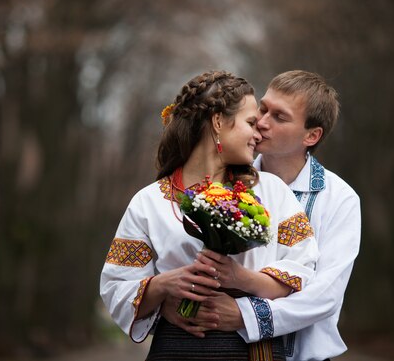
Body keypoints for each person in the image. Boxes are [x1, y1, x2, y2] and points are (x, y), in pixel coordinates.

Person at [100, 71, 320, 361]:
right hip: (178, 349)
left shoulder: (273, 192)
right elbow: (117, 287)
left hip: (252, 351)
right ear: (218, 121)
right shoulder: (148, 202)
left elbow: (303, 273)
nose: (258, 134)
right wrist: (164, 285)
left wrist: (240, 278)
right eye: (251, 123)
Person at [162, 70, 361, 361]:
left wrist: (245, 315)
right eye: (262, 109)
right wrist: (166, 303)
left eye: (279, 117)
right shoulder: (220, 185)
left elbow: (325, 296)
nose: (262, 123)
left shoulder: (339, 199)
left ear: (312, 135)